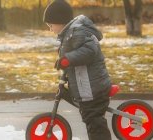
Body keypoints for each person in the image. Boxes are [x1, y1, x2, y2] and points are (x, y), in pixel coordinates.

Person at [43, 0, 112, 140]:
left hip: (93, 88)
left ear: (60, 21)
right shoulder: (69, 34)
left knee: (94, 122)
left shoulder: (77, 31)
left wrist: (67, 59)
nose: (50, 29)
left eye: (51, 25)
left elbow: (89, 50)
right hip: (87, 87)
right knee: (90, 119)